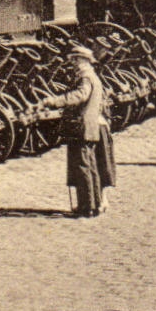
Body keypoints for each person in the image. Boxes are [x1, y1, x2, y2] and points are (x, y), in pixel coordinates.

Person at [48, 45, 115, 218]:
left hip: (81, 127)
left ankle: (86, 207)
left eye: (75, 60)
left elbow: (80, 95)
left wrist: (55, 101)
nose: (73, 63)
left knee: (82, 167)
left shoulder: (85, 77)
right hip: (90, 127)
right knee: (90, 166)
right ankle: (95, 204)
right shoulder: (94, 77)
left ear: (83, 60)